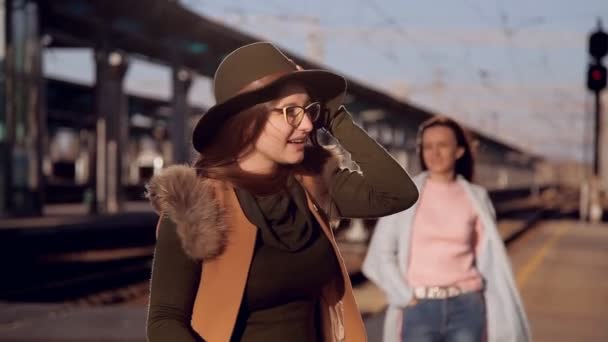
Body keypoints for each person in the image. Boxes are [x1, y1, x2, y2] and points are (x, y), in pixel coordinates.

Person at [145, 42, 419, 342]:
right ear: (247, 121)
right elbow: (165, 321)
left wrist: (334, 116)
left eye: (309, 111)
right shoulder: (197, 203)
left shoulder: (313, 182)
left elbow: (398, 193)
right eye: (290, 112)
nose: (307, 124)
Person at [362, 117, 531, 342]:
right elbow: (379, 255)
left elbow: (489, 260)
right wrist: (404, 295)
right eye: (428, 146)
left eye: (442, 145)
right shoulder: (404, 195)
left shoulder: (477, 197)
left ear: (459, 151)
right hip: (418, 307)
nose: (434, 153)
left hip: (467, 307)